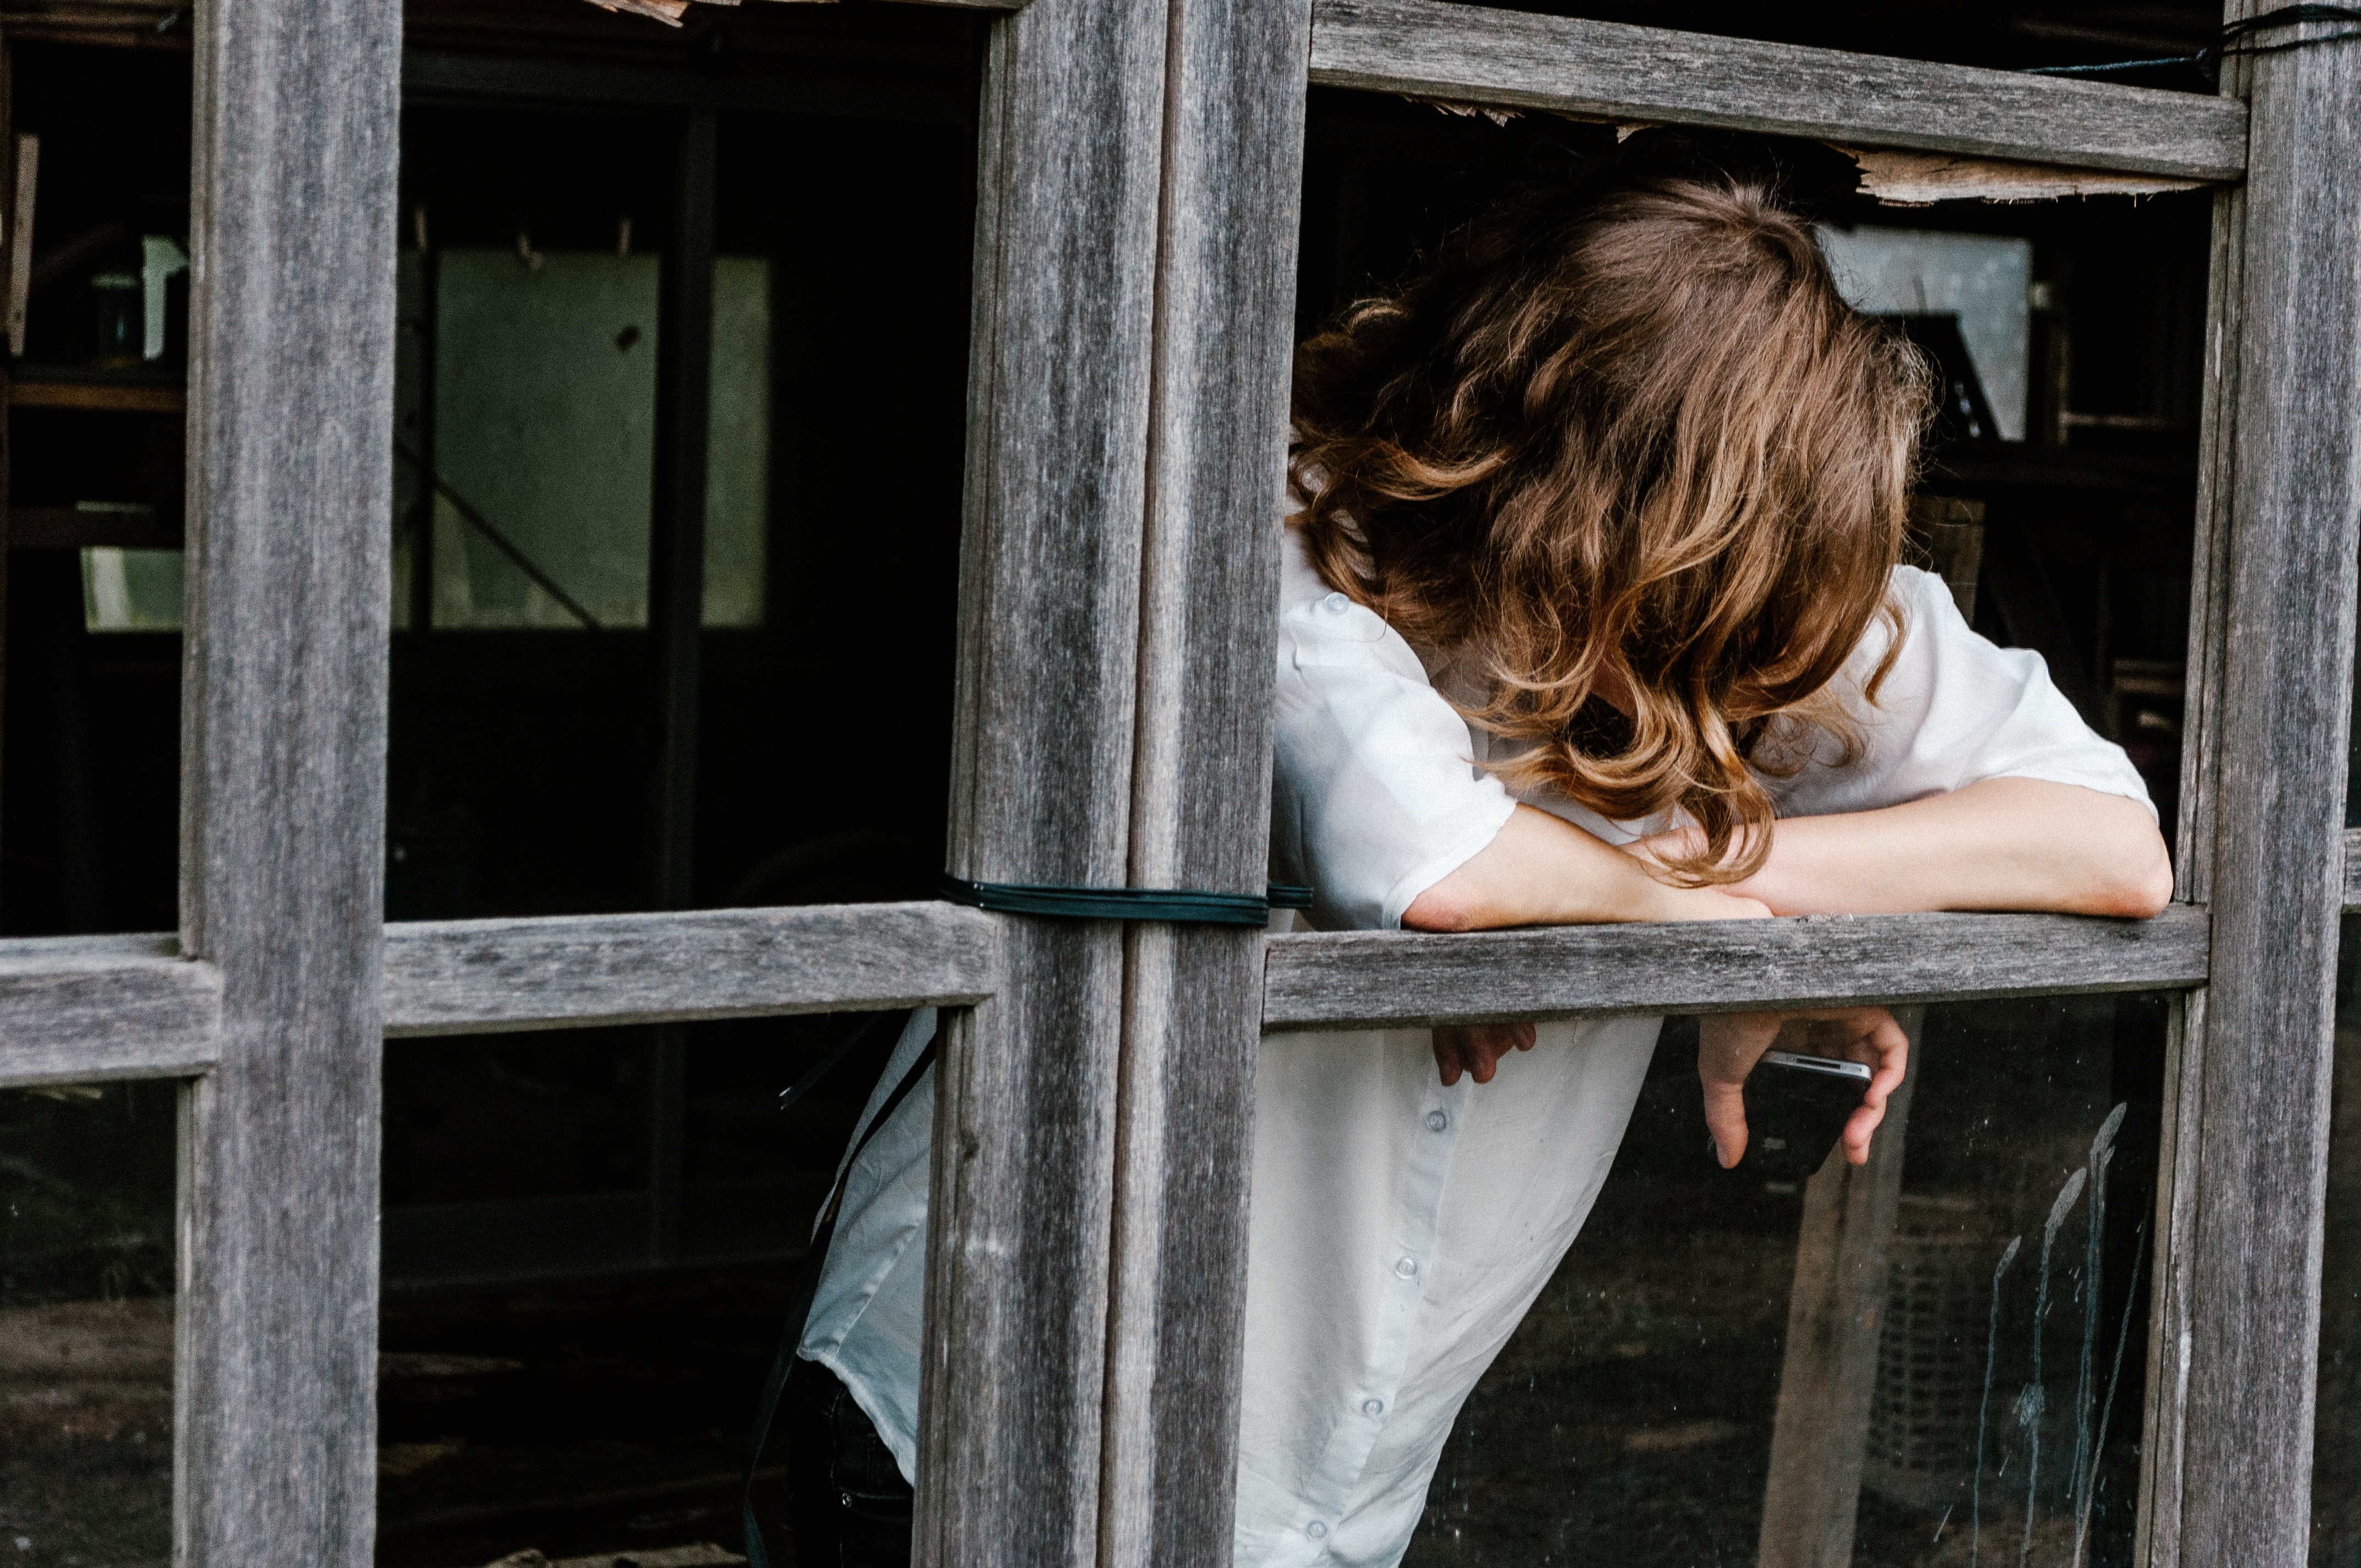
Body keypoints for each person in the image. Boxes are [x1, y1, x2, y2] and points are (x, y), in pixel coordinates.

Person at [781, 169, 2174, 1568]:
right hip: (989, 1399)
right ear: (1582, 492)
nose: (1715, 657)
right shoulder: (1282, 520)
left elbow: (2111, 846)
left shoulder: (1786, 573)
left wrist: (1734, 901)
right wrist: (1710, 928)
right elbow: (1437, 868)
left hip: (1332, 1490)